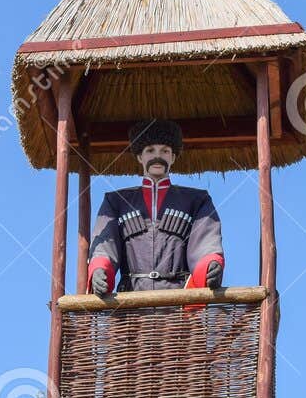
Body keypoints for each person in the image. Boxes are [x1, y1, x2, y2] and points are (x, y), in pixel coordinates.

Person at [87, 119, 224, 294]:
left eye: (165, 151)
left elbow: (206, 242)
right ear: (139, 157)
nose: (157, 156)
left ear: (173, 157)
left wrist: (211, 264)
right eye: (150, 150)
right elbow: (104, 245)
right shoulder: (116, 201)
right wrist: (100, 269)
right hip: (129, 307)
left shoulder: (197, 200)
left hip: (179, 304)